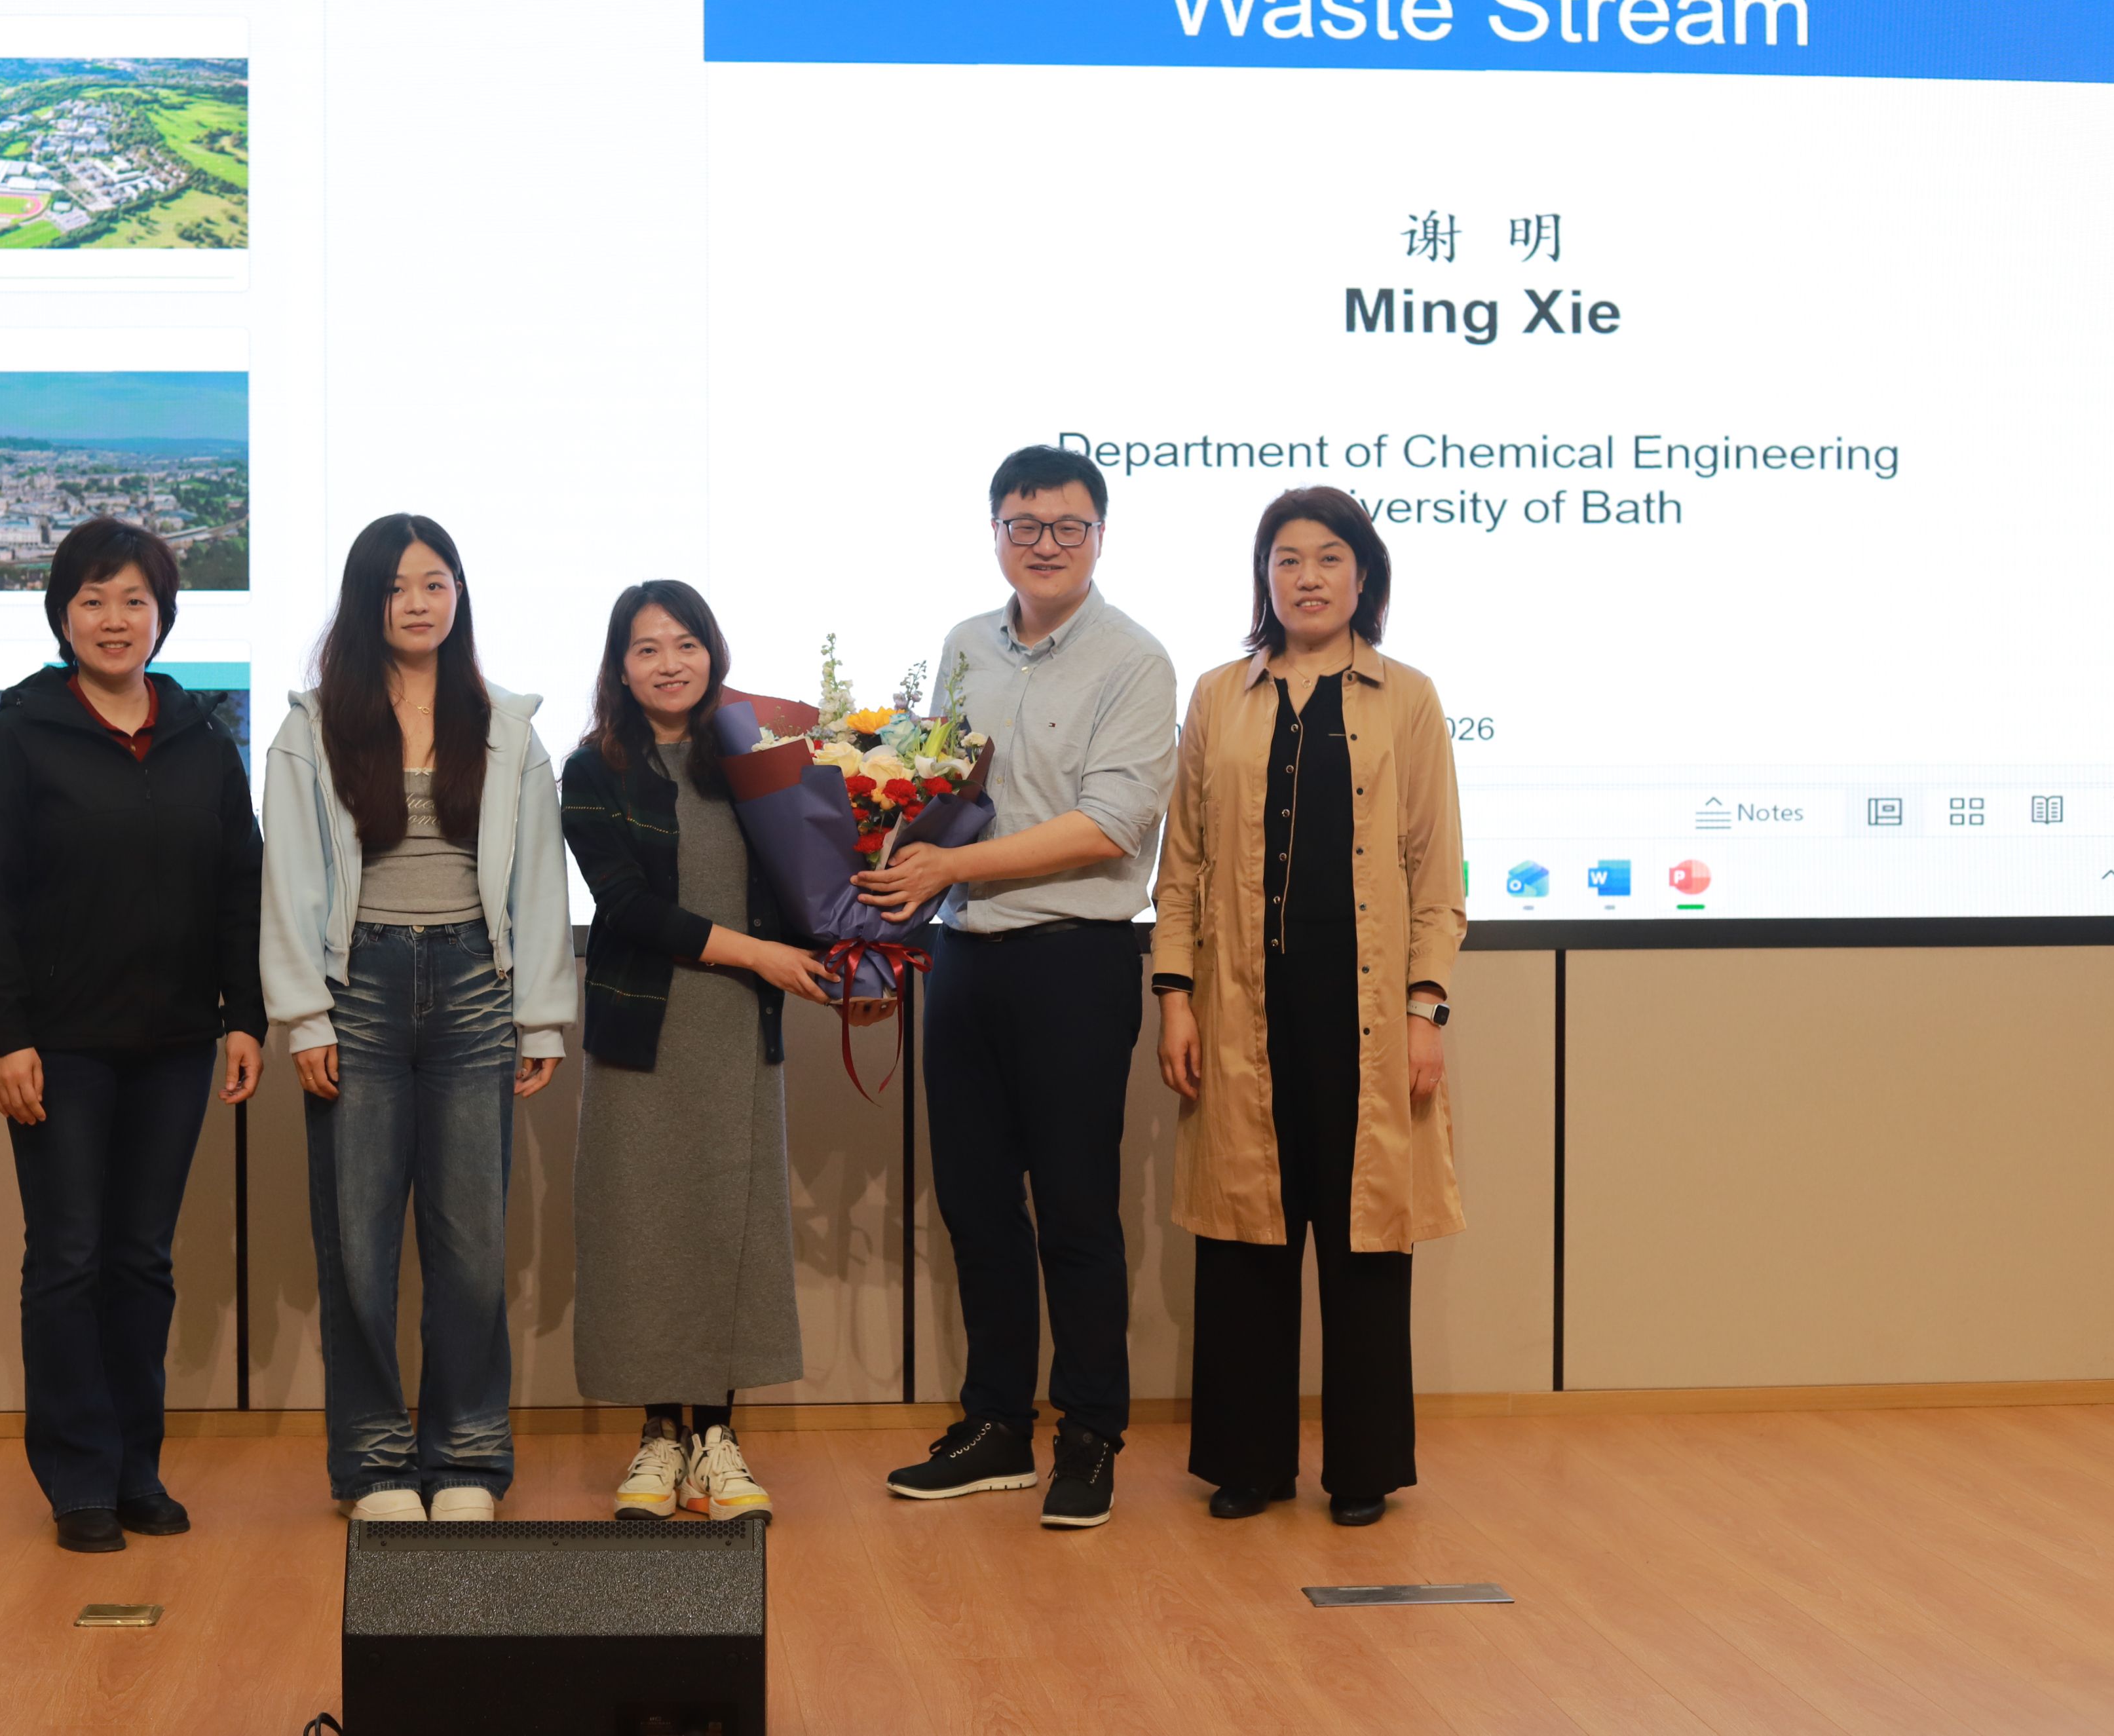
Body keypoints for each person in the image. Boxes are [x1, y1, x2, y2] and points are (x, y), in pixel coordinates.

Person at [860, 445, 1177, 1531]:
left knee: (1077, 1209)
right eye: (1024, 524)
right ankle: (996, 1423)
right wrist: (880, 895)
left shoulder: (1136, 660)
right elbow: (935, 792)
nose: (1046, 544)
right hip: (965, 957)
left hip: (1073, 961)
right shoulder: (964, 645)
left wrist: (950, 864)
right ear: (994, 530)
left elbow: (1109, 824)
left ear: (1100, 536)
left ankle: (1090, 1435)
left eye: (1068, 526)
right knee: (976, 1204)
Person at [1150, 486, 1465, 1528]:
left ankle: (1363, 1467)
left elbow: (1437, 877)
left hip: (1366, 1016)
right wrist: (1176, 995)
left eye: (1329, 557)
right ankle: (1249, 1460)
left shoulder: (1407, 698)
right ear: (1265, 577)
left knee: (1367, 1239)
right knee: (1247, 1233)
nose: (1308, 577)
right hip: (1244, 1011)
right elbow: (1182, 866)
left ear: (1363, 576)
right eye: (1287, 559)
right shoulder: (1219, 695)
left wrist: (1426, 1007)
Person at [0, 517, 267, 1555]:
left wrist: (244, 1014)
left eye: (136, 599)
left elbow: (239, 887)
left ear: (163, 615)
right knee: (68, 1259)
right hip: (60, 1048)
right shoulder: (24, 732)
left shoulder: (201, 735)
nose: (115, 619)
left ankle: (137, 1467)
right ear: (63, 616)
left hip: (175, 1043)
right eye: (93, 600)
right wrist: (5, 1032)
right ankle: (79, 1477)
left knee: (141, 1260)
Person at [259, 514, 576, 1524]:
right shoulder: (313, 726)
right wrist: (306, 1016)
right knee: (357, 1243)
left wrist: (540, 1018)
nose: (418, 602)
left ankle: (469, 1455)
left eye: (436, 582)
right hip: (359, 989)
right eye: (397, 586)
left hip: (476, 986)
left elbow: (538, 882)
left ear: (459, 594)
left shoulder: (508, 725)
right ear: (366, 601)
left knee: (471, 1243)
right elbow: (291, 878)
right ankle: (373, 1463)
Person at [560, 581, 890, 1523]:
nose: (670, 664)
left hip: (739, 1026)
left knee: (727, 1224)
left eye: (686, 643)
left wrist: (860, 965)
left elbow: (806, 885)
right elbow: (629, 907)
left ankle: (716, 1436)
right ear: (620, 667)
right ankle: (659, 1436)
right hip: (645, 1026)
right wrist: (762, 956)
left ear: (713, 652)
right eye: (647, 648)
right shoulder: (592, 769)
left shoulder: (759, 760)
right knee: (643, 1230)